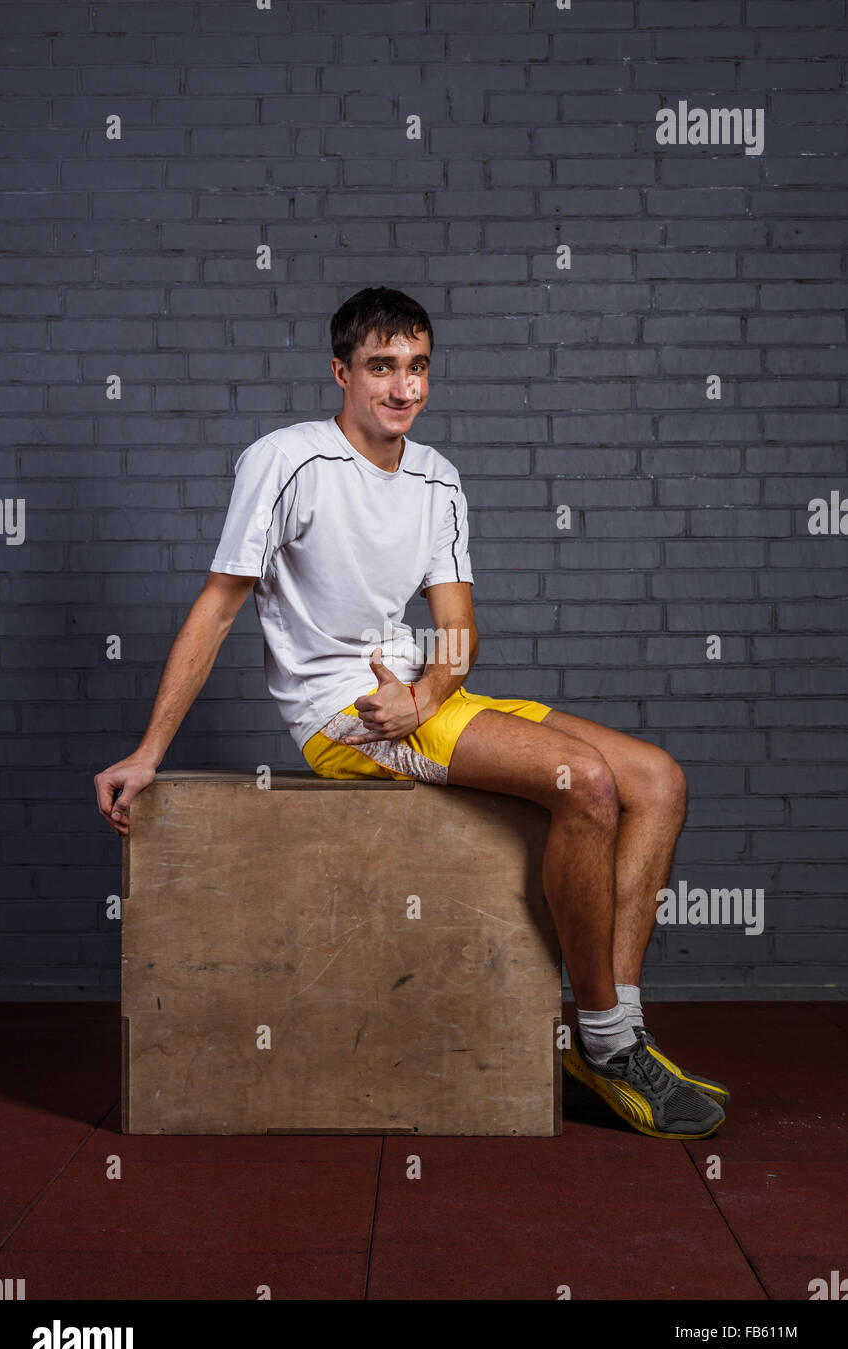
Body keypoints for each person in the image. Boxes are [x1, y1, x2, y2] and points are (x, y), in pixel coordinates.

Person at [95, 285, 729, 1140]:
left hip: (421, 696)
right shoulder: (286, 460)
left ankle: (613, 1039)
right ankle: (609, 1042)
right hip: (344, 712)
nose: (403, 387)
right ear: (342, 373)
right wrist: (148, 750)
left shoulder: (438, 477)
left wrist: (424, 694)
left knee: (658, 778)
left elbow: (459, 630)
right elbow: (217, 607)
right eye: (382, 367)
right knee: (581, 786)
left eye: (418, 367)